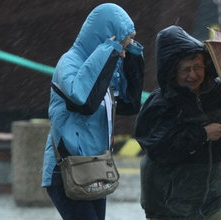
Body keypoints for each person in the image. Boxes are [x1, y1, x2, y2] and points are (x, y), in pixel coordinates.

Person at [41, 3, 144, 220]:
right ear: (106, 39)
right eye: (123, 47)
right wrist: (109, 50)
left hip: (94, 167)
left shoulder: (105, 66)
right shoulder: (68, 64)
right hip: (67, 169)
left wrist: (133, 56)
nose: (123, 54)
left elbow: (128, 104)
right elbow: (84, 102)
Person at [135, 25, 221, 220]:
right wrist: (202, 134)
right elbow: (160, 150)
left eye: (198, 68)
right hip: (170, 206)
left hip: (214, 200)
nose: (193, 75)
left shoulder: (219, 93)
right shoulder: (160, 104)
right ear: (172, 71)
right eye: (186, 70)